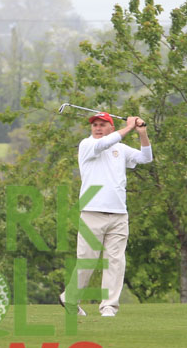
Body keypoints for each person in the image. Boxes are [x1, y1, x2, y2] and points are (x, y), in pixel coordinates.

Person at [59, 112, 152, 317]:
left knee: (116, 261)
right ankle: (70, 298)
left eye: (103, 124)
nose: (98, 128)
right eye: (95, 125)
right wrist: (129, 127)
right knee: (87, 259)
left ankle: (109, 306)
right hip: (92, 212)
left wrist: (142, 133)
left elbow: (146, 158)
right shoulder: (87, 145)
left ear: (111, 127)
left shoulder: (120, 148)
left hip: (119, 214)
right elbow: (104, 144)